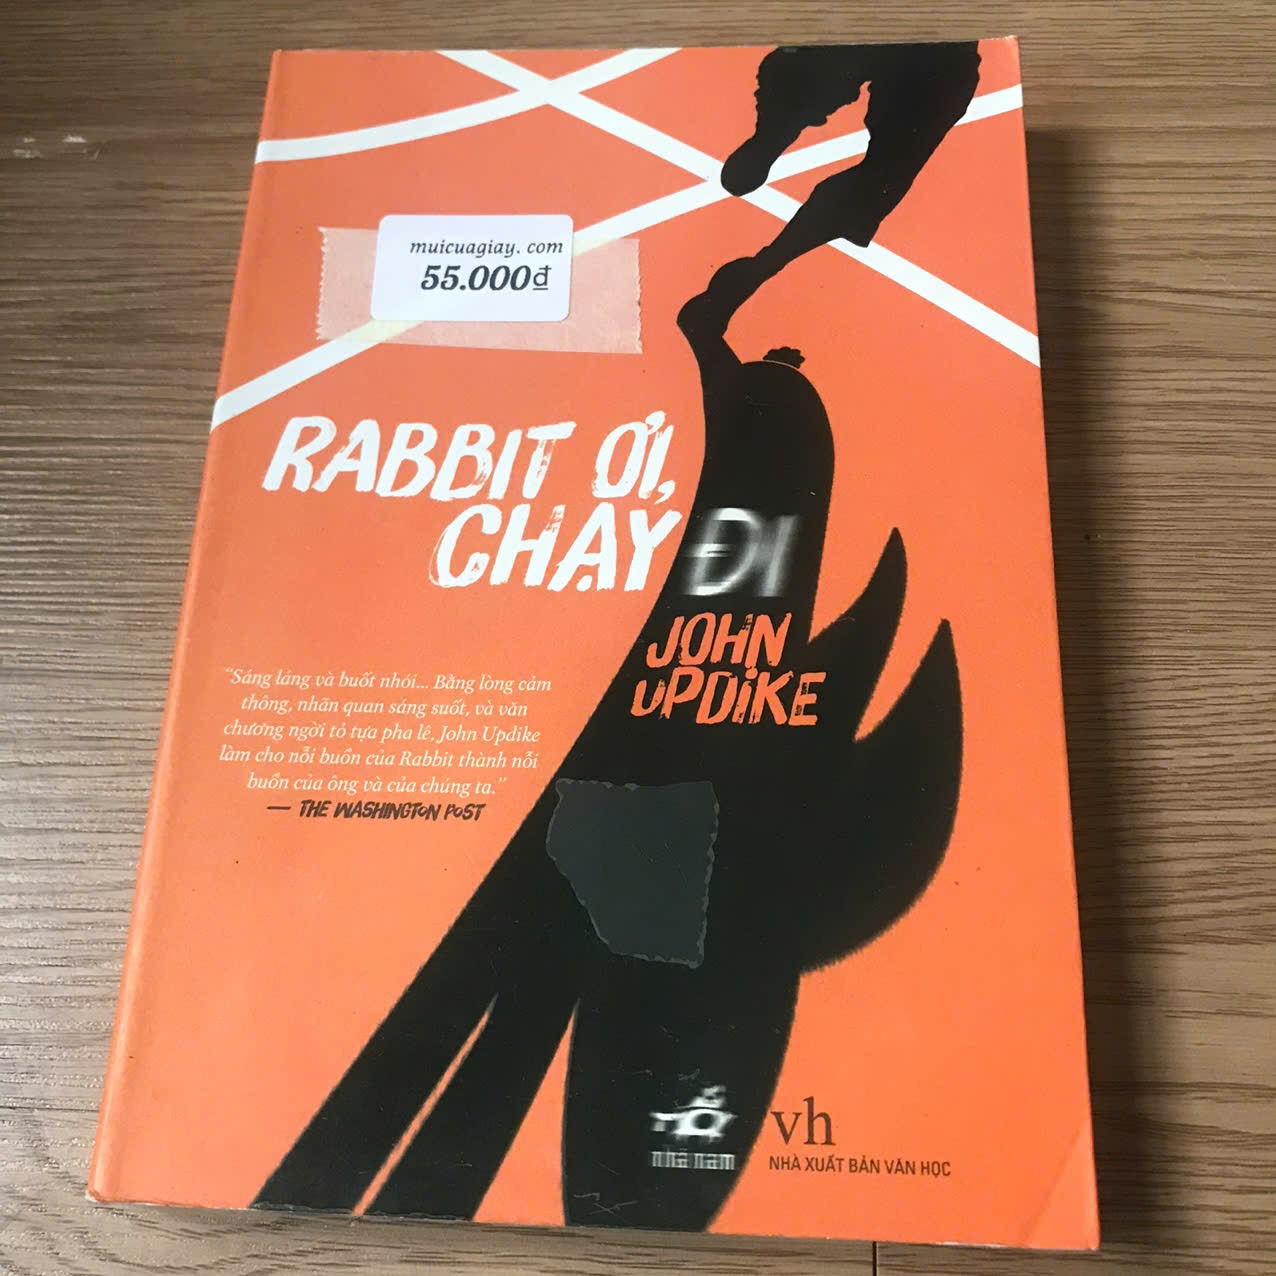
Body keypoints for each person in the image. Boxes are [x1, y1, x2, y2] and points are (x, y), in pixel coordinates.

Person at [686, 41, 982, 333]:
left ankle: (781, 121)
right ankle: (781, 123)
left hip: (930, 54)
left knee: (883, 171)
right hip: (935, 55)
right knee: (884, 173)